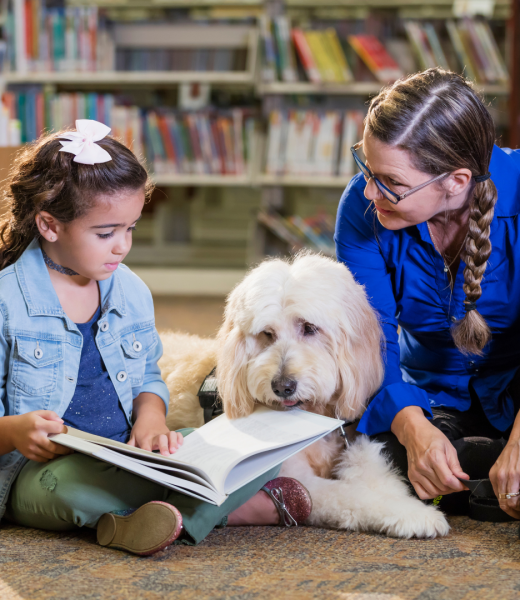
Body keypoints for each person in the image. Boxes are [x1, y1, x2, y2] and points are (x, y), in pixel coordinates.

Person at [0, 120, 311, 556]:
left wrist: (151, 418)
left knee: (256, 448)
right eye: (106, 233)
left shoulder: (129, 290)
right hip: (39, 472)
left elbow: (147, 374)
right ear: (49, 225)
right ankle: (221, 513)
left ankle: (136, 524)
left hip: (128, 452)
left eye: (130, 228)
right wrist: (13, 432)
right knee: (67, 491)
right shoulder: (7, 300)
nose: (122, 246)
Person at [335, 68, 520, 568]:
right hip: (435, 397)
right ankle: (500, 468)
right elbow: (369, 336)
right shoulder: (362, 207)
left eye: (390, 182)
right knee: (365, 452)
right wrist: (414, 428)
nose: (370, 193)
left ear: (457, 181)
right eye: (366, 170)